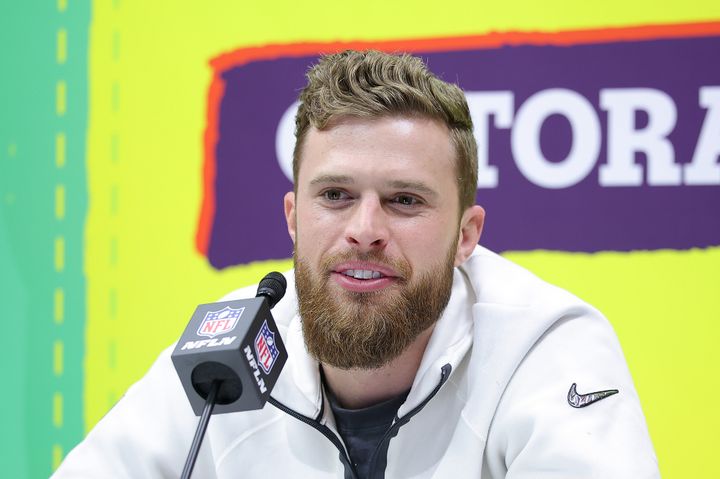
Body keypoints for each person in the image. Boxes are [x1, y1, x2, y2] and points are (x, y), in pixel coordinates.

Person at [54, 50, 659, 478]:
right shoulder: (227, 354)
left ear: (466, 235)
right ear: (293, 217)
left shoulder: (546, 348)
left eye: (404, 201)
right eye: (336, 196)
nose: (364, 231)